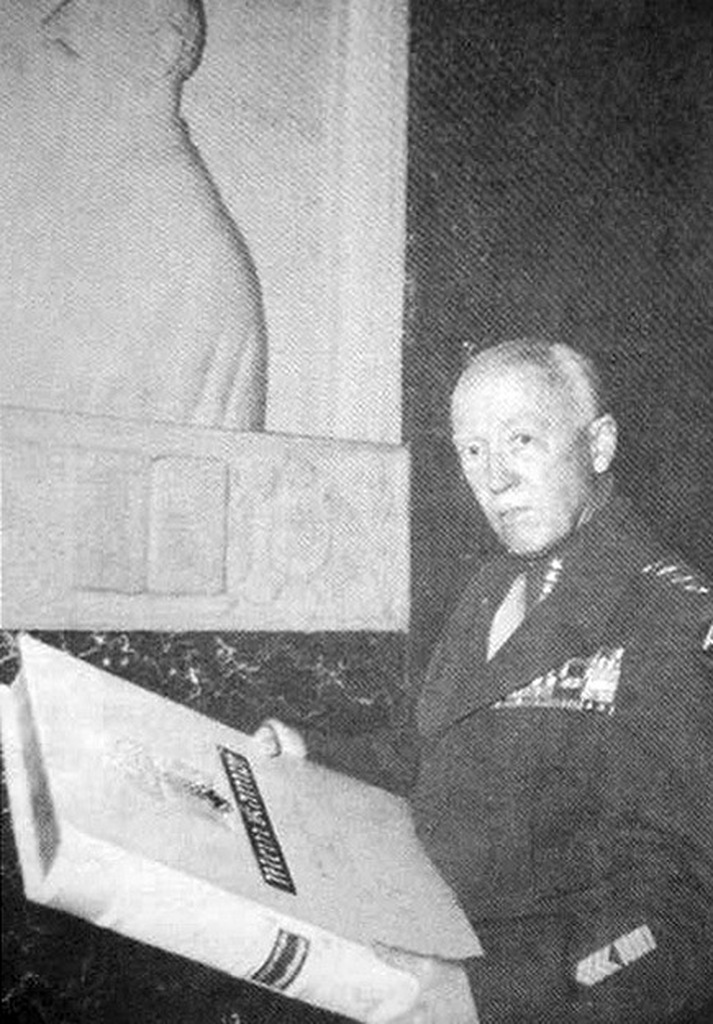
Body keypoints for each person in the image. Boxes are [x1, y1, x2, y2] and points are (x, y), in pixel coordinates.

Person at [256, 338, 713, 1024]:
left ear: (599, 445)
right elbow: (442, 750)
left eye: (521, 440)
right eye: (471, 450)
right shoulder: (493, 585)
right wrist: (314, 753)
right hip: (423, 955)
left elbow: (683, 913)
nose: (493, 479)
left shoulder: (672, 621)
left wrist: (486, 993)